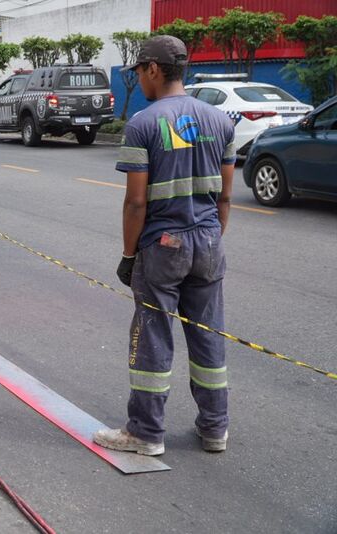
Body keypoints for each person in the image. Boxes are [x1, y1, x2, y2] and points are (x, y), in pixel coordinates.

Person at [92, 35, 236, 456]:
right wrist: (210, 237)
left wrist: (128, 255)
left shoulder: (142, 124)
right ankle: (214, 429)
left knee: (153, 336)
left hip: (162, 246)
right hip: (209, 241)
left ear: (153, 69)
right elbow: (224, 197)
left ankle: (145, 433)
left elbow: (137, 201)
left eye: (139, 70)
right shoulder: (221, 122)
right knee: (208, 337)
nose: (139, 77)